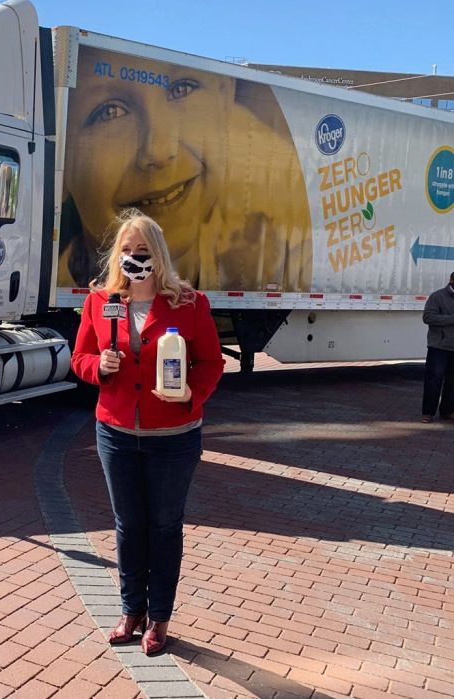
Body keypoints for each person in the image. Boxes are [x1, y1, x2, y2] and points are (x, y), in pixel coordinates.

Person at [70, 210, 224, 656]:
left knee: (164, 526)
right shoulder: (101, 301)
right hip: (116, 432)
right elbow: (80, 356)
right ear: (116, 255)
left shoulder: (189, 303)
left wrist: (190, 395)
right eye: (126, 251)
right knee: (128, 525)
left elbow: (212, 363)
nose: (134, 259)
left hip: (173, 436)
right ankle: (130, 610)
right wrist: (97, 366)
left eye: (143, 251)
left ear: (157, 254)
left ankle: (159, 617)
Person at [60, 45, 312, 292]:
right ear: (62, 148)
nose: (158, 151)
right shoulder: (94, 307)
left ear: (225, 98)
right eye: (110, 112)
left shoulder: (282, 230)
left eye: (181, 89)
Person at [420, 272, 454, 422]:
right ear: (451, 280)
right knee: (434, 380)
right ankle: (427, 413)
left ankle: (447, 411)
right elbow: (428, 317)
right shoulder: (437, 296)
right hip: (439, 347)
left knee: (452, 382)